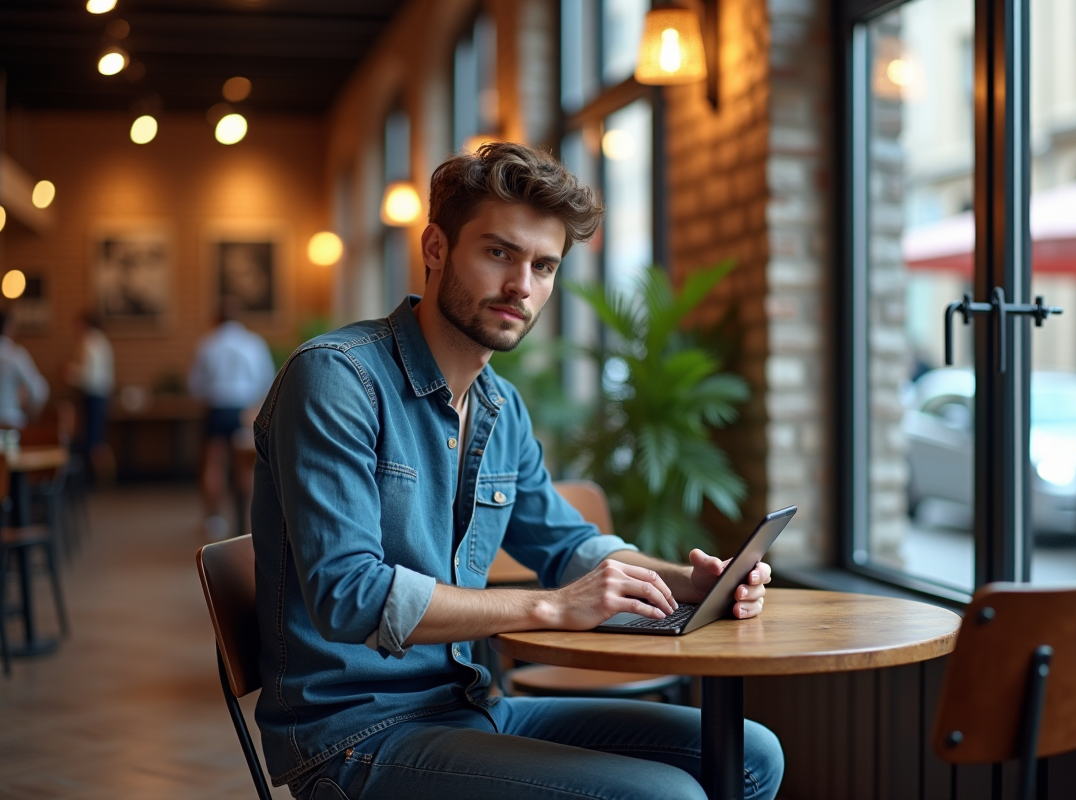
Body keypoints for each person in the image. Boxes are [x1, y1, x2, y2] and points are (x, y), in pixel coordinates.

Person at [251, 143, 784, 800]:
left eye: (544, 265)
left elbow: (566, 546)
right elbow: (348, 594)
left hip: (469, 706)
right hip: (353, 734)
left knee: (754, 754)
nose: (521, 287)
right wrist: (551, 607)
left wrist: (686, 581)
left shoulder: (500, 406)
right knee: (665, 797)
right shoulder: (338, 378)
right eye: (499, 253)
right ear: (437, 248)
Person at [189, 307, 275, 540]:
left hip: (217, 407)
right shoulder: (253, 343)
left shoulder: (207, 343)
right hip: (242, 409)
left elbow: (196, 385)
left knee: (213, 463)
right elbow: (266, 380)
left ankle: (213, 520)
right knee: (244, 466)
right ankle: (246, 522)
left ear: (217, 319)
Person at [65, 311, 115, 480]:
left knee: (93, 441)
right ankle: (106, 479)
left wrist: (69, 373)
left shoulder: (89, 342)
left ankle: (99, 479)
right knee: (97, 438)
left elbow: (88, 376)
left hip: (93, 395)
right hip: (103, 395)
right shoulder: (102, 340)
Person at [0, 310, 49, 430]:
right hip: (10, 423)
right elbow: (40, 390)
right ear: (8, 328)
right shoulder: (15, 355)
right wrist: (31, 415)